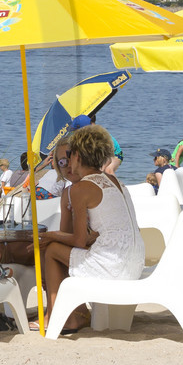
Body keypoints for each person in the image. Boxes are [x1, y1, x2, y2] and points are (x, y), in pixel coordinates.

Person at [32, 125, 145, 333]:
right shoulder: (113, 180)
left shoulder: (81, 188)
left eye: (69, 156)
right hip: (135, 262)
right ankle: (72, 313)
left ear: (77, 156)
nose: (66, 163)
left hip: (113, 266)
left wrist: (50, 235)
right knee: (57, 247)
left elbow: (78, 241)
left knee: (52, 250)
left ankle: (60, 316)